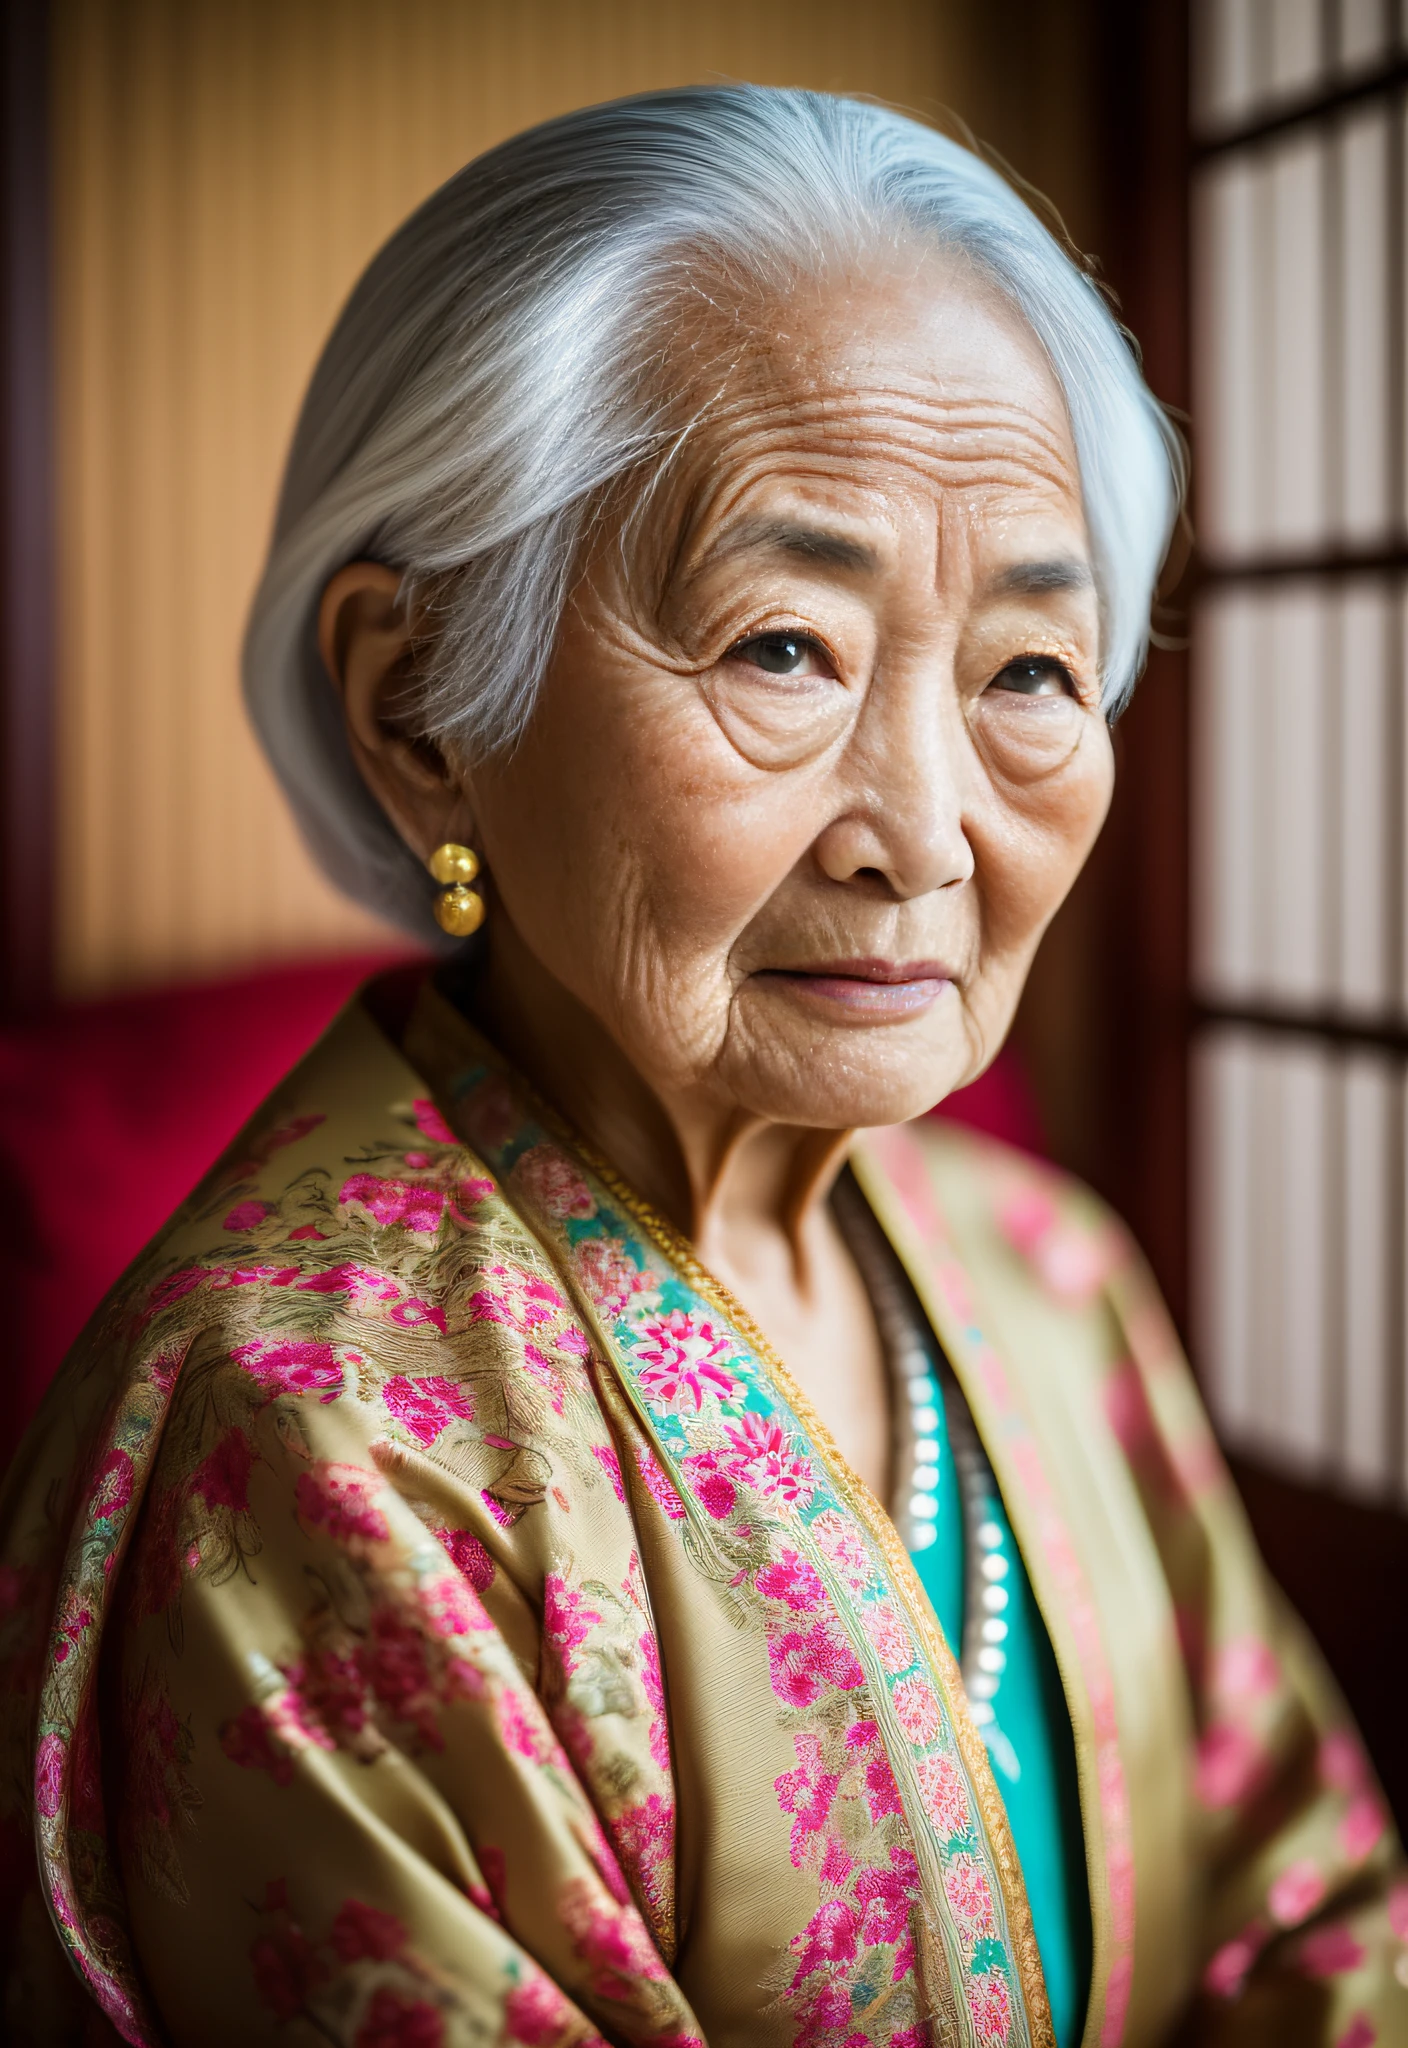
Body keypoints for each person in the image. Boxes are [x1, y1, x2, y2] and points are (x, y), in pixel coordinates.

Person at [1, 86, 1402, 2048]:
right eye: (778, 647)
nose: (920, 830)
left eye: (1022, 671)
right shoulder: (305, 1438)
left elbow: (1315, 1903)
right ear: (417, 707)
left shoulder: (1042, 1273)